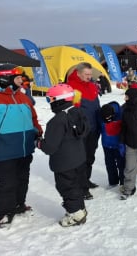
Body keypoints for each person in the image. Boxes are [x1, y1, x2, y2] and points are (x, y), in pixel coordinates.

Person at [0, 64, 44, 228]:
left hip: (24, 148)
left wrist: (38, 132)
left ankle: (19, 204)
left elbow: (33, 118)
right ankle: (5, 212)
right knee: (7, 182)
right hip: (4, 149)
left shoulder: (23, 97)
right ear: (6, 78)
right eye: (19, 77)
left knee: (22, 178)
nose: (22, 80)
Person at [37, 84, 89, 227]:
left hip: (64, 163)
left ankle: (76, 215)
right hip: (78, 158)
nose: (50, 103)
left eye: (50, 100)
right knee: (76, 185)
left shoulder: (57, 121)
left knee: (67, 187)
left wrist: (38, 142)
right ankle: (80, 208)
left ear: (59, 100)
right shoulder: (78, 112)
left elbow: (50, 147)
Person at [67, 62, 102, 199]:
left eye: (90, 74)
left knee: (90, 156)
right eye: (86, 74)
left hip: (94, 128)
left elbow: (96, 106)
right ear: (79, 73)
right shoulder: (72, 88)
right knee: (80, 158)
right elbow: (71, 111)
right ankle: (81, 187)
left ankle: (86, 179)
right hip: (81, 129)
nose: (89, 76)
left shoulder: (92, 86)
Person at [100, 101, 125, 188]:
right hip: (106, 145)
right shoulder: (101, 116)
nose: (107, 119)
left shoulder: (120, 115)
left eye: (109, 117)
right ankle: (113, 181)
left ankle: (123, 182)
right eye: (105, 118)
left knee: (121, 164)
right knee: (110, 164)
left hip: (118, 145)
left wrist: (122, 143)